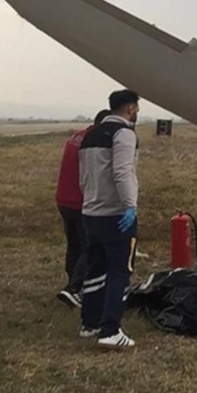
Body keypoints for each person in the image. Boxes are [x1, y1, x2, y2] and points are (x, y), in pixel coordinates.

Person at [77, 89, 141, 349]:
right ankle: (110, 330)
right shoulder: (124, 133)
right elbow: (123, 171)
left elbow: (84, 177)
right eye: (136, 107)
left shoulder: (90, 135)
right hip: (115, 215)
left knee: (94, 269)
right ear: (130, 109)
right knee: (119, 272)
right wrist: (130, 206)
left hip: (90, 212)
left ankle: (89, 324)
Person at [55, 109, 111, 308]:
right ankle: (74, 288)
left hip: (63, 199)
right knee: (91, 245)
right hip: (81, 201)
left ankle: (72, 284)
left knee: (74, 244)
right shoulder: (94, 141)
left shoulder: (76, 136)